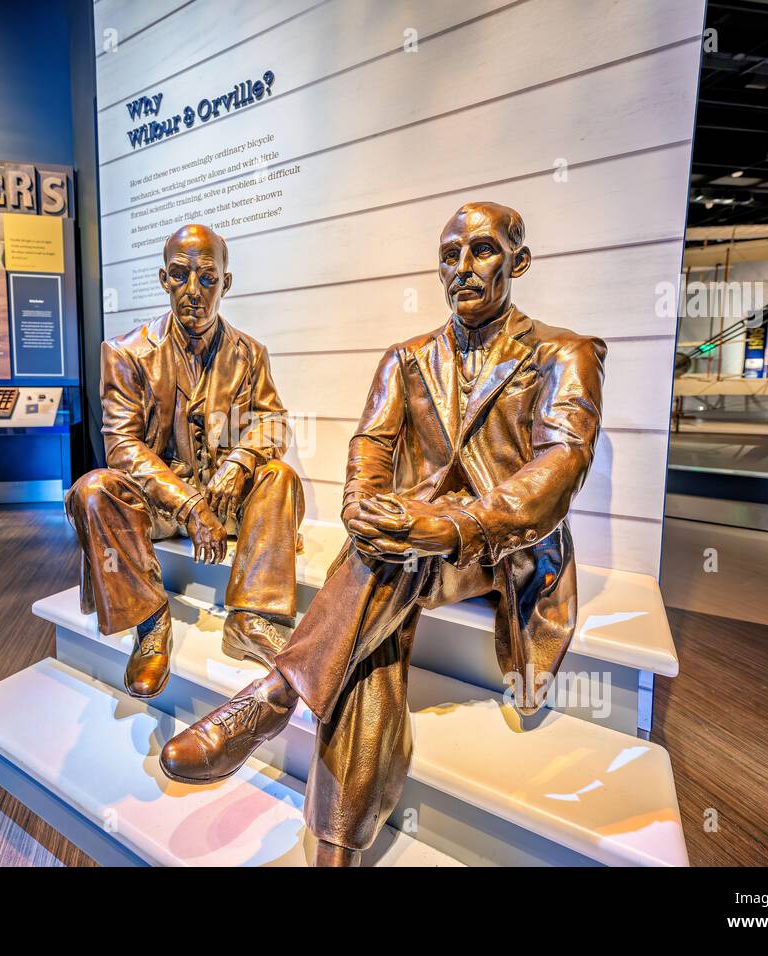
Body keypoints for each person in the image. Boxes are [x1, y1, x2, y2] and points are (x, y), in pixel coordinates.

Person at [160, 202, 607, 866]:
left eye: (481, 251)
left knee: (392, 560)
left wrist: (453, 524)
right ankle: (337, 844)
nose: (463, 268)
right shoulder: (406, 358)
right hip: (407, 550)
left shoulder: (564, 352)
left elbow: (561, 463)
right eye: (449, 254)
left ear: (520, 261)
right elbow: (369, 452)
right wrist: (366, 511)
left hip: (507, 548)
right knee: (374, 631)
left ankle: (278, 693)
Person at [65, 224, 303, 699]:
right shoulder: (125, 352)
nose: (193, 292)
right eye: (180, 276)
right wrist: (189, 505)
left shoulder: (249, 354)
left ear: (226, 284)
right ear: (163, 279)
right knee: (93, 489)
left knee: (279, 475)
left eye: (207, 279)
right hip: (158, 507)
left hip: (225, 501)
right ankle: (151, 624)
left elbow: (273, 422)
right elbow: (123, 448)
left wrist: (239, 463)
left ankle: (251, 618)